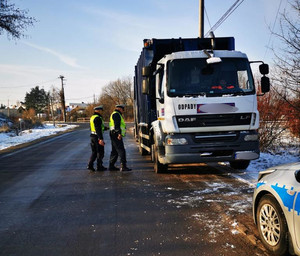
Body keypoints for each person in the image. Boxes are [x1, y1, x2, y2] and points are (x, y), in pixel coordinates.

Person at [108, 104, 132, 172]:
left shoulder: (114, 114)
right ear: (119, 109)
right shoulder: (116, 114)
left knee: (114, 150)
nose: (123, 111)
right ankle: (123, 166)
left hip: (113, 133)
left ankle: (111, 165)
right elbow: (117, 124)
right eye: (122, 109)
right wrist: (119, 133)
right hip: (116, 134)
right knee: (121, 150)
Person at [87, 105, 107, 172]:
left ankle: (90, 165)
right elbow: (98, 128)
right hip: (97, 137)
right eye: (101, 110)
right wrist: (100, 139)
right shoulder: (98, 118)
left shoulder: (92, 117)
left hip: (92, 136)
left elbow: (94, 127)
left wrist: (105, 128)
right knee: (100, 152)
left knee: (94, 152)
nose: (101, 111)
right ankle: (99, 166)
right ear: (98, 110)